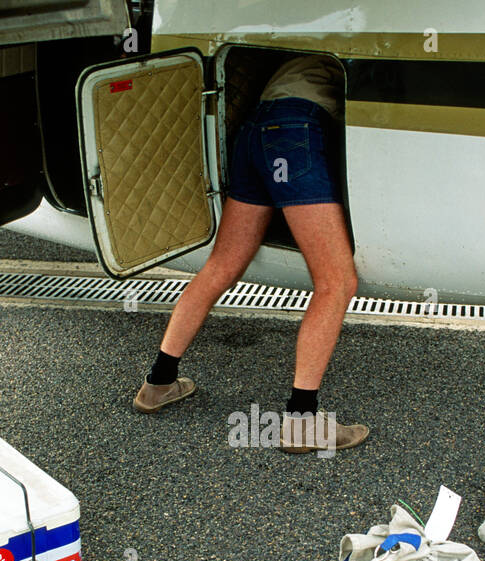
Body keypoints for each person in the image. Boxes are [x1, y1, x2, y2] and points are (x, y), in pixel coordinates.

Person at [131, 55, 368, 454]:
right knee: (336, 282)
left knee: (221, 265)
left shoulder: (296, 46)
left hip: (255, 129)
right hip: (297, 131)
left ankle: (158, 383)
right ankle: (302, 421)